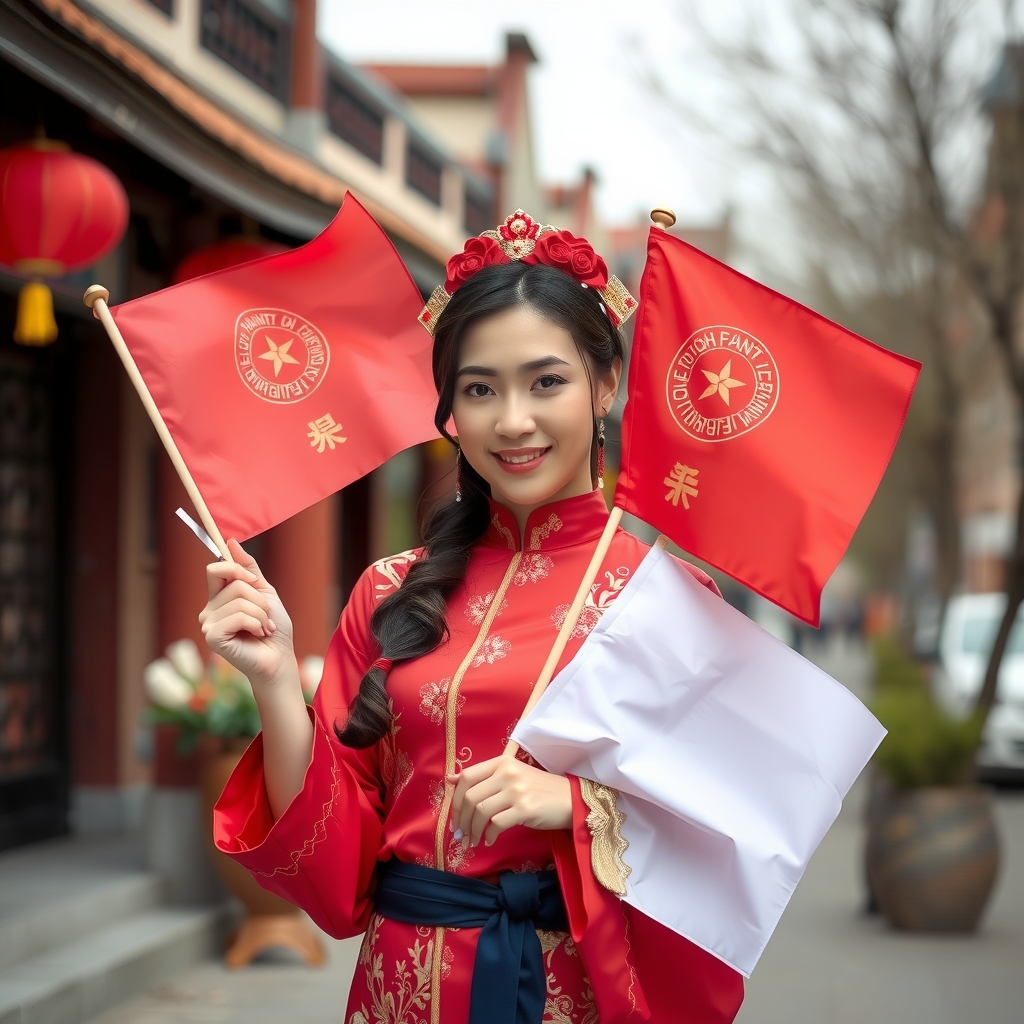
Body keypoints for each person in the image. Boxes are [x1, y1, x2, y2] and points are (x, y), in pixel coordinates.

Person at [206, 212, 744, 1024]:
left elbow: (735, 823)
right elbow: (338, 858)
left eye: (547, 382)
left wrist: (578, 807)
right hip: (401, 994)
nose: (513, 420)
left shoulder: (664, 599)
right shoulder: (392, 591)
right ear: (450, 409)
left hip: (576, 991)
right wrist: (278, 682)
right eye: (479, 389)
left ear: (605, 387)